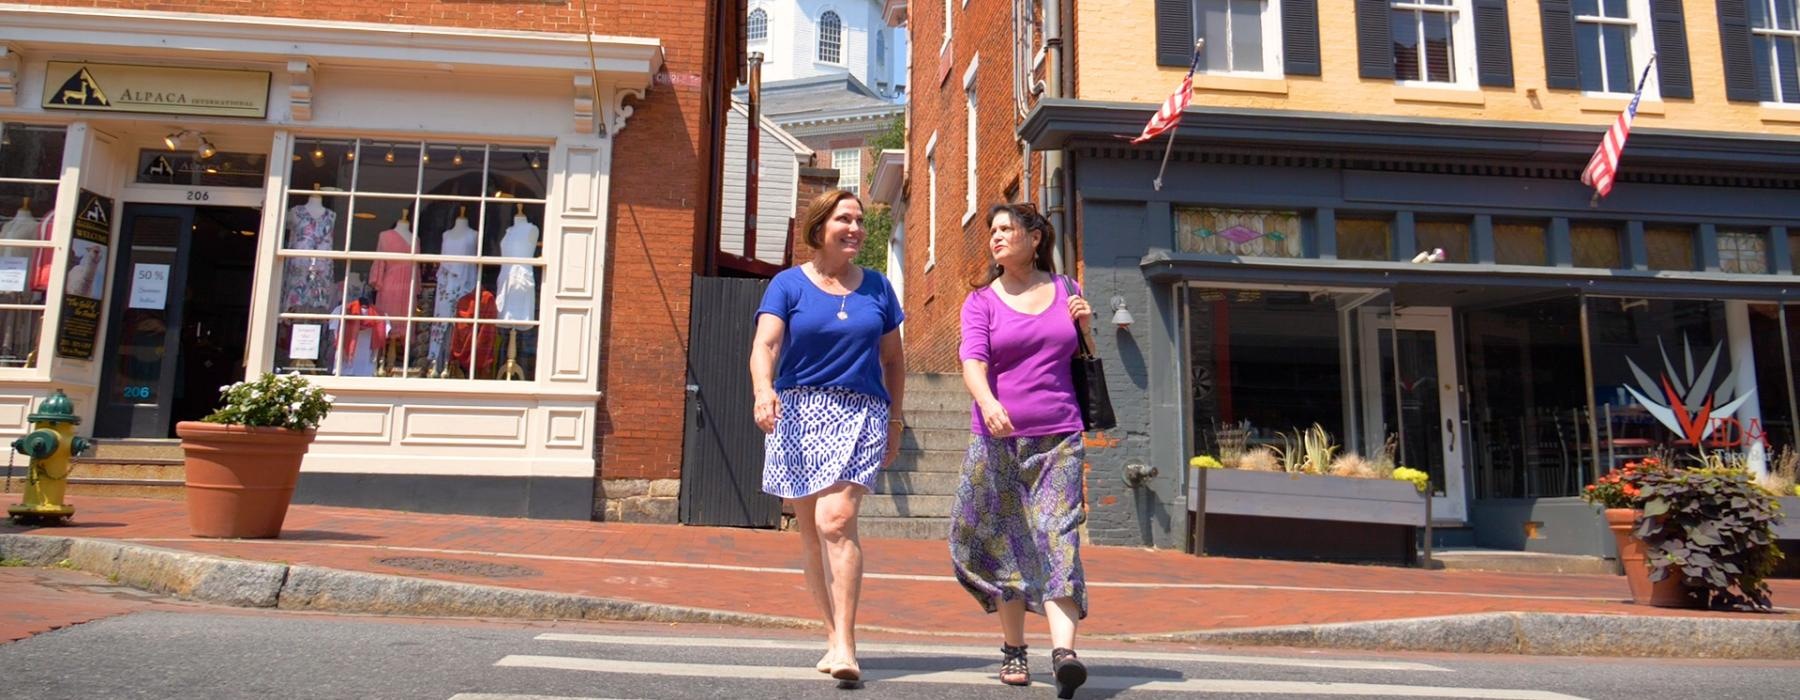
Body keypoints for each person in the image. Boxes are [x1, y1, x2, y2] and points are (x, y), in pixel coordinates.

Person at [749, 188, 905, 685]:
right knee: (811, 533)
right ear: (820, 228)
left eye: (860, 220)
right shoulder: (787, 285)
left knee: (836, 521)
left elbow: (895, 360)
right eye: (845, 219)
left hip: (861, 410)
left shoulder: (879, 288)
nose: (856, 228)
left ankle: (847, 644)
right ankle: (831, 634)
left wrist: (897, 421)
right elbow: (766, 344)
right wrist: (762, 390)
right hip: (798, 412)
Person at [952, 202, 1093, 699]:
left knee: (1057, 536)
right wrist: (987, 401)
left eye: (1007, 228)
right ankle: (1014, 647)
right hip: (997, 439)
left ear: (1036, 238)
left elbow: (1084, 361)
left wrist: (1087, 325)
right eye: (992, 230)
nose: (996, 236)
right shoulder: (981, 302)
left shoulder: (1066, 291)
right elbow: (973, 361)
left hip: (1059, 436)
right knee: (1001, 542)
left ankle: (1064, 653)